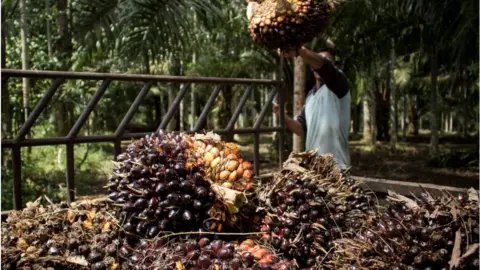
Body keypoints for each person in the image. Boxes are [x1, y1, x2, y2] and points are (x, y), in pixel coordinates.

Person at [273, 45, 351, 170]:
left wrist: (299, 50)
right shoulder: (310, 96)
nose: (321, 63)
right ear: (311, 67)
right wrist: (282, 115)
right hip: (315, 167)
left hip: (337, 166)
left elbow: (325, 66)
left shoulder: (339, 85)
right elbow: (300, 129)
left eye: (327, 61)